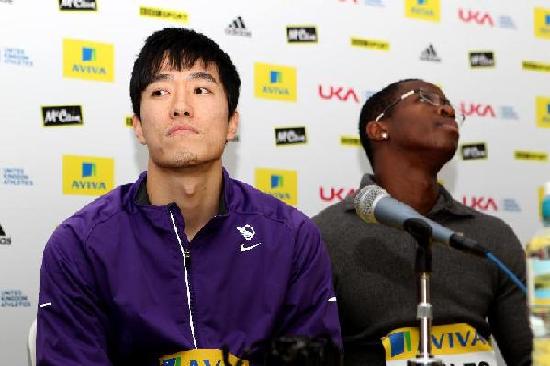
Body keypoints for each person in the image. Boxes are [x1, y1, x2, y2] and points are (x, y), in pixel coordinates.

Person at [37, 28, 341, 365]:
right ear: (138, 126)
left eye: (201, 89)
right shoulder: (80, 245)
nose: (181, 107)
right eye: (161, 91)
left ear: (231, 124)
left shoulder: (291, 238)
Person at [313, 79, 532, 365]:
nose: (447, 110)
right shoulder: (325, 236)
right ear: (379, 128)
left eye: (448, 105)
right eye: (425, 99)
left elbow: (531, 355)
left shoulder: (491, 236)